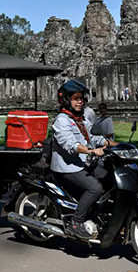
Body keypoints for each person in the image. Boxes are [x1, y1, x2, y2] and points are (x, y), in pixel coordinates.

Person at [50, 80, 118, 240]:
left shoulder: (79, 119)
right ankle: (75, 222)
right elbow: (69, 144)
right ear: (66, 100)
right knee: (95, 188)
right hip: (68, 167)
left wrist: (114, 144)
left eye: (81, 98)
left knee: (111, 177)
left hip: (85, 162)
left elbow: (93, 137)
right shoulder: (62, 120)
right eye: (75, 98)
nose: (80, 101)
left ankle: (101, 214)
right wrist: (90, 150)